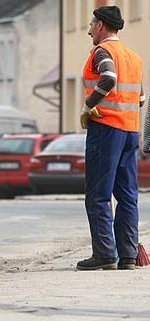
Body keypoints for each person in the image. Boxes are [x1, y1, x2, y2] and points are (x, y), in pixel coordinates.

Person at [77, 6, 145, 271]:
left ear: (102, 26)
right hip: (129, 132)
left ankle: (105, 254)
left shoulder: (103, 52)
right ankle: (128, 256)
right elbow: (139, 98)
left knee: (98, 194)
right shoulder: (133, 57)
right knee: (128, 195)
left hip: (106, 130)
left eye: (92, 24)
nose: (89, 29)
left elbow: (109, 78)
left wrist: (88, 105)